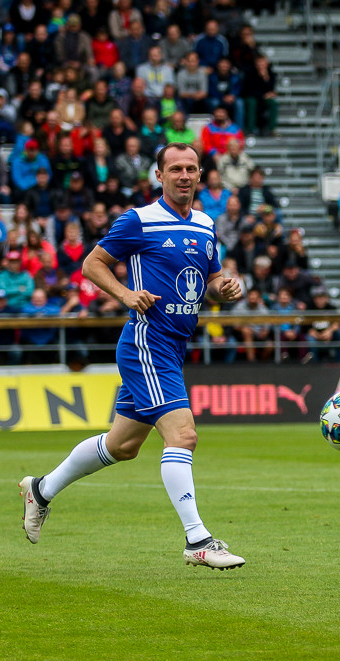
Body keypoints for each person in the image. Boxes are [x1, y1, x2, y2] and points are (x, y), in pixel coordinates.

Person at [19, 142, 246, 570]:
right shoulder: (139, 220)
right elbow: (92, 264)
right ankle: (198, 540)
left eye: (191, 168)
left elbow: (211, 279)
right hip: (147, 342)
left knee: (122, 445)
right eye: (175, 169)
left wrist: (225, 287)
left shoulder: (205, 224)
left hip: (174, 347)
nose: (184, 175)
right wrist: (125, 294)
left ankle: (41, 490)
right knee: (183, 435)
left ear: (200, 174)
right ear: (159, 176)